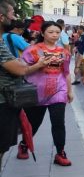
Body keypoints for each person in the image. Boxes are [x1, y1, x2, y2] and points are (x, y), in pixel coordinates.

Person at [0, 0, 54, 177]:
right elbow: (20, 68)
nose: (15, 18)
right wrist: (38, 65)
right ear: (1, 17)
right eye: (12, 13)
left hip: (6, 102)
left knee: (2, 149)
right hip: (2, 103)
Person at [20, 22, 72, 166]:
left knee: (58, 123)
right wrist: (38, 65)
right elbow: (22, 70)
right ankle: (24, 144)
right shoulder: (32, 50)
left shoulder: (64, 52)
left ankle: (60, 153)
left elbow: (66, 72)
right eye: (51, 32)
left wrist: (69, 90)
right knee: (34, 123)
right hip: (37, 93)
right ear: (43, 33)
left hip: (58, 91)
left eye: (57, 32)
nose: (54, 35)